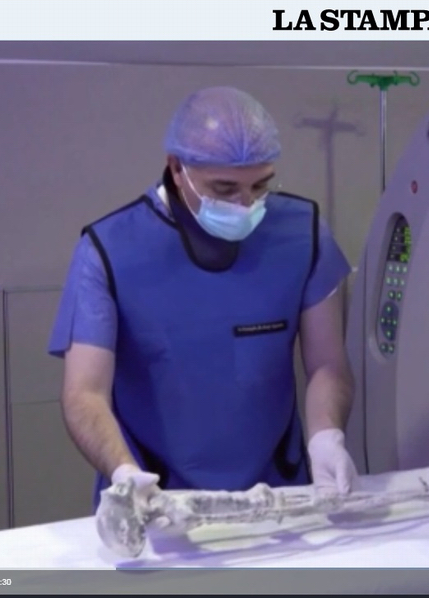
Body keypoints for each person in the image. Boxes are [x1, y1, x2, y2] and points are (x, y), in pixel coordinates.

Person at [47, 87, 358, 521]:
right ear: (177, 168)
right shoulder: (110, 250)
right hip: (157, 498)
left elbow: (327, 364)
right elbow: (85, 394)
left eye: (261, 186)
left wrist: (326, 436)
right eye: (224, 188)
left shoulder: (301, 234)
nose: (246, 205)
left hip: (278, 493)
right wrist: (125, 474)